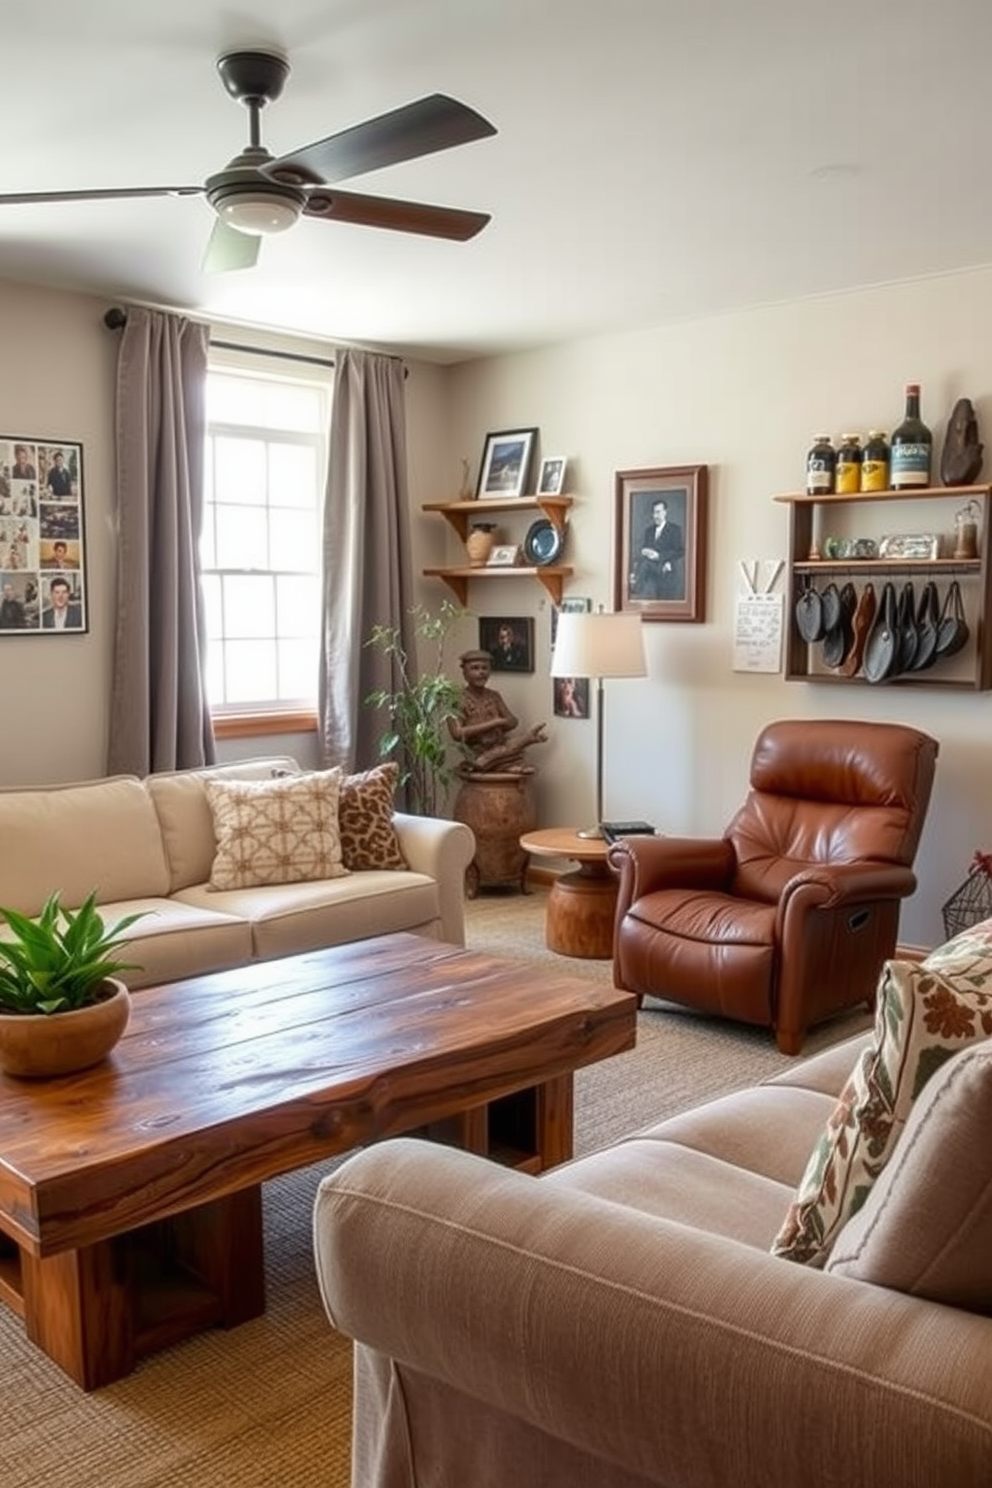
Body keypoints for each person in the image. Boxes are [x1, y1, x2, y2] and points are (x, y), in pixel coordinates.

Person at [449, 650, 548, 774]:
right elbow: (457, 734)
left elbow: (513, 722)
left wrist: (503, 722)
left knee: (508, 751)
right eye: (475, 668)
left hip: (498, 745)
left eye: (485, 668)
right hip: (476, 751)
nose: (481, 672)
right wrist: (494, 723)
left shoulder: (494, 696)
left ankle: (504, 760)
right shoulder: (456, 699)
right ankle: (521, 745)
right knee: (492, 757)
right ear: (464, 672)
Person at [631, 498, 684, 599]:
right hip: (651, 572)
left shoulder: (675, 529)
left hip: (667, 573)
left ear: (665, 512)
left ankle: (635, 585)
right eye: (654, 513)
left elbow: (679, 551)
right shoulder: (649, 531)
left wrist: (659, 556)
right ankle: (635, 584)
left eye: (658, 512)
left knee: (644, 564)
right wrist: (645, 551)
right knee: (643, 561)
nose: (656, 516)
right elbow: (645, 548)